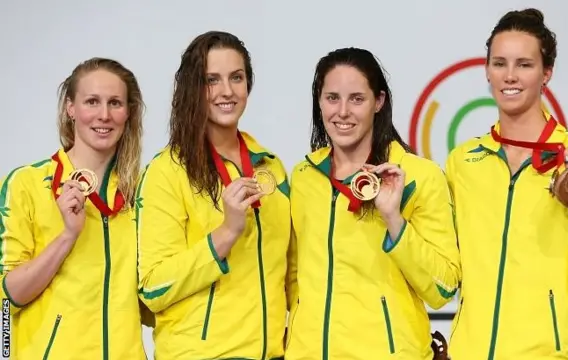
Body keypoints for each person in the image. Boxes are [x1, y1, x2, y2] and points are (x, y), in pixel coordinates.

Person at [445, 8, 568, 360]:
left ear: (546, 73)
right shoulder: (463, 162)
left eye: (525, 64)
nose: (510, 75)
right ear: (486, 71)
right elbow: (445, 270)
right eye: (500, 63)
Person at [284, 47, 461, 360]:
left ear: (378, 101)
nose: (342, 112)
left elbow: (442, 288)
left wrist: (394, 220)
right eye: (332, 98)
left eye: (357, 99)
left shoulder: (420, 177)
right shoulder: (303, 177)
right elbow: (295, 278)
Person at [136, 31, 291, 360]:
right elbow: (153, 287)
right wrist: (225, 233)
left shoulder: (271, 167)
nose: (227, 91)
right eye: (212, 80)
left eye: (237, 77)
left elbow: (290, 273)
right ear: (193, 88)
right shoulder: (167, 171)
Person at [0, 57, 147, 359]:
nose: (104, 115)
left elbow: (152, 296)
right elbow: (9, 296)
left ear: (128, 113)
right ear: (71, 108)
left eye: (115, 103)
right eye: (92, 101)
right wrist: (68, 235)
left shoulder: (143, 191)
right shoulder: (25, 184)